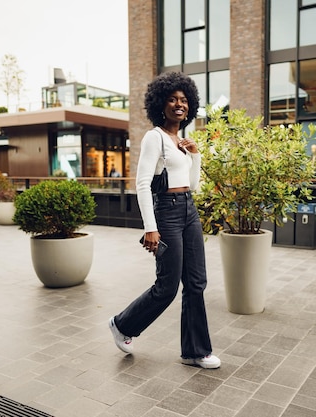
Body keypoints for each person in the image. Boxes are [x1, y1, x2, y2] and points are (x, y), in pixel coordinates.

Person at [108, 72, 220, 369]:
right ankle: (122, 325)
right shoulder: (154, 137)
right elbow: (142, 184)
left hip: (189, 209)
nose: (178, 104)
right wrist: (150, 228)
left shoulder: (180, 142)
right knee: (167, 287)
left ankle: (196, 351)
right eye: (172, 99)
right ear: (161, 104)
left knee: (196, 282)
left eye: (184, 100)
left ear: (190, 106)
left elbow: (193, 185)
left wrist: (195, 155)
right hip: (166, 212)